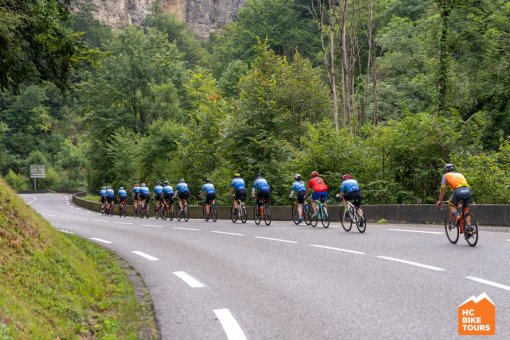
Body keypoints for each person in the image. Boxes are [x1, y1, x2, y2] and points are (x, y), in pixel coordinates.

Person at [436, 163, 472, 228]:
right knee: (465, 210)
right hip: (468, 190)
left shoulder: (445, 175)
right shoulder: (460, 174)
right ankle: (470, 228)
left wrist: (440, 201)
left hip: (458, 190)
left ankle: (457, 216)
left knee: (451, 203)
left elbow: (442, 189)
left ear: (446, 171)